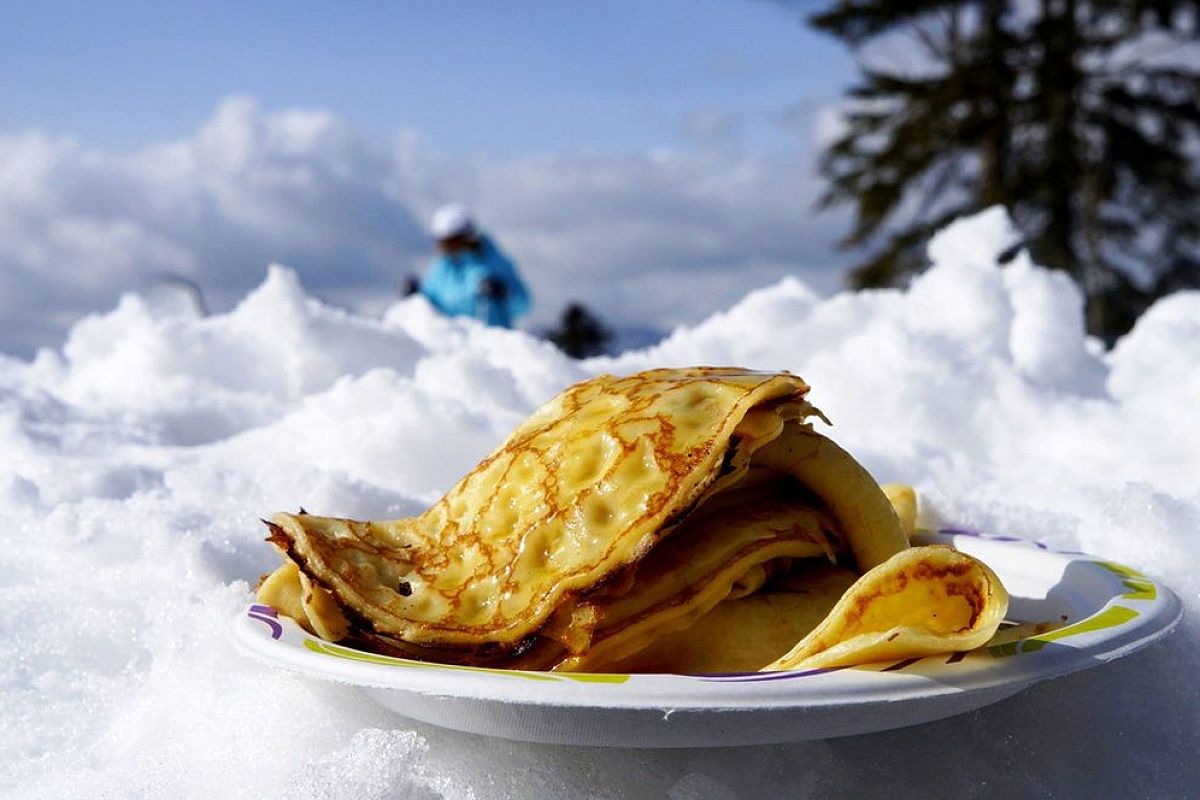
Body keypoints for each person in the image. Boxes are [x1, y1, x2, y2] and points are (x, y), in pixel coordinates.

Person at [406, 204, 531, 328]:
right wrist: (416, 295)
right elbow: (431, 302)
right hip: (452, 340)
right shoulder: (441, 268)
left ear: (468, 238)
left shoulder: (494, 263)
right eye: (443, 244)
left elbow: (523, 302)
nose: (448, 249)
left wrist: (502, 292)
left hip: (490, 342)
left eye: (453, 242)